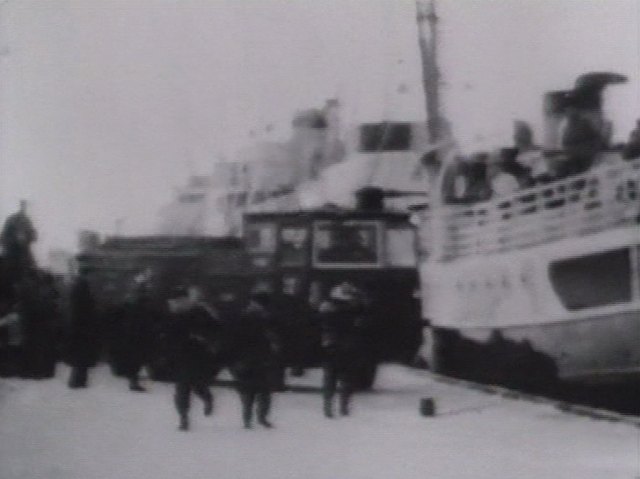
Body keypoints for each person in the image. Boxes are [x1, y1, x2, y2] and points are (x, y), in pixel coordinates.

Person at [164, 285, 223, 431]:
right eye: (173, 302)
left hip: (198, 355)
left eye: (179, 301)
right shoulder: (172, 316)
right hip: (180, 357)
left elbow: (215, 329)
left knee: (197, 385)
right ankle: (183, 418)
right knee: (182, 388)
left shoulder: (199, 312)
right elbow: (166, 336)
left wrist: (200, 335)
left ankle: (207, 398)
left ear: (186, 300)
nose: (176, 304)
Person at [229, 287, 281, 429]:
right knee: (259, 390)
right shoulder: (262, 318)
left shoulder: (249, 317)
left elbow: (235, 339)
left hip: (251, 358)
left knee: (252, 391)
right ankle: (257, 418)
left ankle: (251, 418)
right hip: (256, 358)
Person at [317, 282, 371, 418]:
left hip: (331, 346)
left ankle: (328, 407)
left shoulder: (326, 309)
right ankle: (343, 406)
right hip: (347, 347)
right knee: (346, 378)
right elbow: (363, 310)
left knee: (330, 378)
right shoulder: (352, 310)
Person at [66, 269, 100, 388]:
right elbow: (87, 310)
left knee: (80, 356)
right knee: (82, 356)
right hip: (84, 328)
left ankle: (78, 380)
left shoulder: (77, 290)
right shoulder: (84, 292)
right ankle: (79, 380)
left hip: (79, 328)